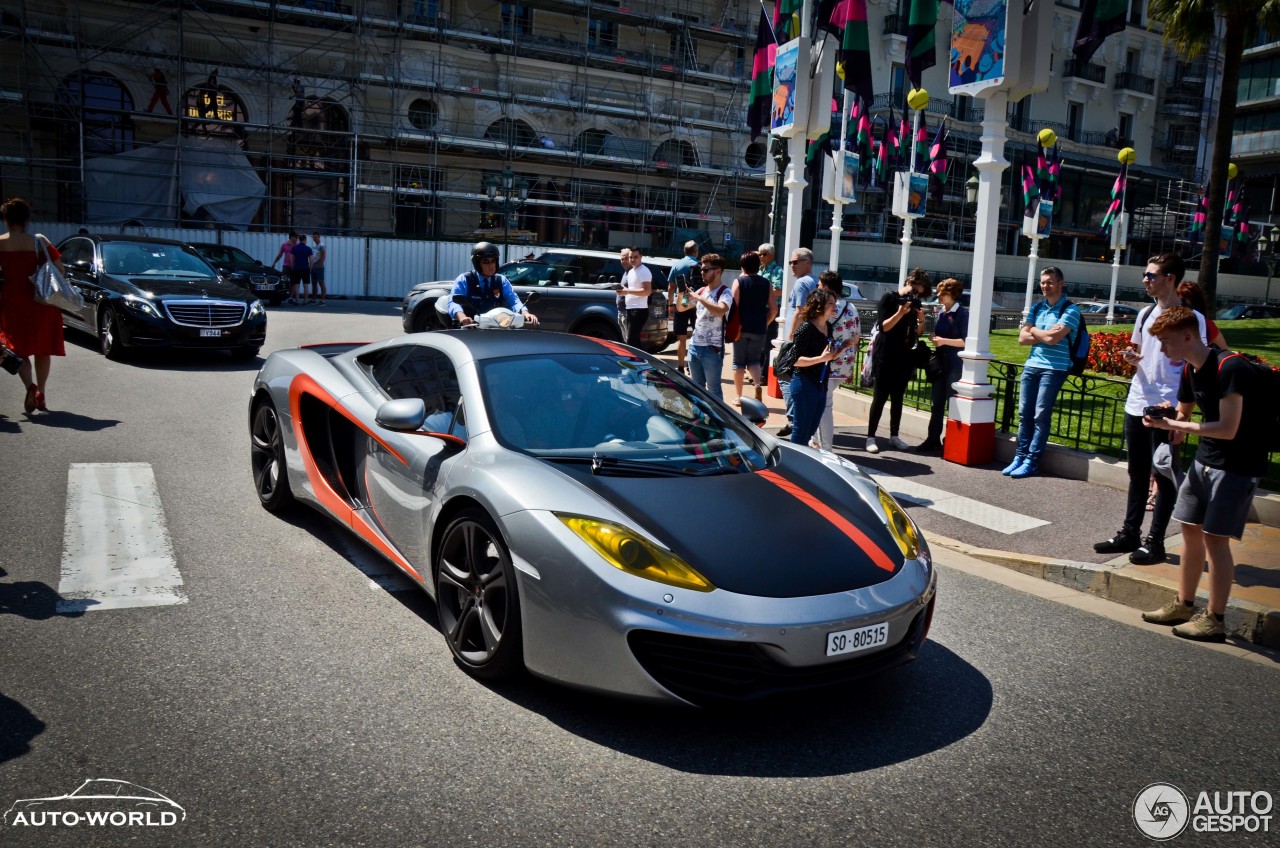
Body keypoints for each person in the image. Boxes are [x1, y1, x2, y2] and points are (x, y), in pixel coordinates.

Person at [1139, 306, 1268, 642]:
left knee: (1215, 539)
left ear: (1188, 336)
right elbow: (1183, 417)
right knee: (1190, 530)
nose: (1163, 350)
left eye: (1166, 342)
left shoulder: (1231, 368)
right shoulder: (1189, 370)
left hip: (1238, 465)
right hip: (1206, 460)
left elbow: (1227, 428)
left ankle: (1215, 619)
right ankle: (1184, 604)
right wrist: (1165, 419)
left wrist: (1179, 424)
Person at [1094, 254, 1209, 564]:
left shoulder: (1192, 318)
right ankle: (1129, 533)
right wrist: (1131, 357)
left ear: (1170, 278)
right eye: (1145, 275)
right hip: (1138, 400)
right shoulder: (1145, 313)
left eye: (1151, 275)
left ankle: (1155, 541)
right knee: (1137, 472)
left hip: (1168, 406)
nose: (1145, 280)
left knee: (1165, 473)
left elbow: (1199, 363)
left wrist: (1182, 414)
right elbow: (1137, 349)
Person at [1003, 266, 1082, 478]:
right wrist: (1043, 332)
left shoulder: (1071, 310)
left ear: (1060, 284)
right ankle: (1019, 456)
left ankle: (1032, 461)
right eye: (1043, 282)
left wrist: (1034, 331)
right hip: (1032, 365)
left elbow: (1052, 339)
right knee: (1024, 414)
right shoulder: (1037, 308)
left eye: (1049, 282)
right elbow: (1021, 339)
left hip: (1054, 368)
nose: (1045, 286)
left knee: (1040, 415)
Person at [0, 197, 67, 414]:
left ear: (6, 220)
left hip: (12, 301)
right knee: (42, 349)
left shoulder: (0, 242)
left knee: (18, 349)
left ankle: (30, 386)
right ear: (27, 219)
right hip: (41, 301)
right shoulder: (39, 240)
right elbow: (61, 270)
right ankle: (42, 393)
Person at [865, 269, 929, 454]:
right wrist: (901, 312)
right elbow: (884, 327)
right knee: (880, 398)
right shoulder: (889, 299)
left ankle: (894, 436)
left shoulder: (913, 305)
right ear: (909, 282)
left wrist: (921, 320)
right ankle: (870, 437)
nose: (915, 295)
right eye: (915, 290)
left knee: (898, 398)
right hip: (885, 356)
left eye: (919, 293)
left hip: (904, 357)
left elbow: (916, 334)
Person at [919, 277, 968, 452]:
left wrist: (943, 341)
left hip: (954, 365)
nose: (938, 295)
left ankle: (952, 440)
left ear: (952, 294)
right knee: (936, 403)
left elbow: (966, 341)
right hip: (940, 364)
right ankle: (933, 439)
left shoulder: (962, 314)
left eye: (942, 293)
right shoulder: (942, 312)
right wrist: (936, 339)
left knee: (952, 403)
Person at [813, 270, 860, 450]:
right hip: (844, 364)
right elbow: (856, 337)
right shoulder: (851, 307)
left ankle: (825, 447)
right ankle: (818, 441)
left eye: (819, 285)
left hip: (828, 362)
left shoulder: (827, 306)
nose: (817, 287)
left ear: (826, 286)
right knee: (823, 403)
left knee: (823, 405)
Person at [787, 288, 839, 447]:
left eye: (835, 302)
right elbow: (795, 360)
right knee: (801, 430)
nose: (835, 305)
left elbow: (827, 357)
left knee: (810, 430)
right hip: (804, 382)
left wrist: (839, 351)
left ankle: (800, 463)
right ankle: (793, 463)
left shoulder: (828, 327)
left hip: (821, 384)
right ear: (819, 307)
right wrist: (821, 358)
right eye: (830, 303)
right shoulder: (806, 328)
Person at [446, 241, 538, 326]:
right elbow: (454, 302)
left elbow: (513, 300)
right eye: (486, 262)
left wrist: (525, 313)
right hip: (471, 328)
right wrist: (462, 317)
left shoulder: (501, 280)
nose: (491, 265)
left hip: (496, 328)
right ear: (477, 264)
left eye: (493, 261)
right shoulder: (464, 279)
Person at [777, 247, 816, 438]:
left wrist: (790, 337)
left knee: (784, 376)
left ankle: (794, 419)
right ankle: (799, 419)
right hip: (811, 338)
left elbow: (800, 312)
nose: (792, 265)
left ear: (807, 263)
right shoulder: (815, 282)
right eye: (791, 262)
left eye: (795, 262)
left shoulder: (801, 283)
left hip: (798, 339)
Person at [683, 253, 734, 400]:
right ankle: (700, 419)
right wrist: (683, 293)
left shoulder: (725, 291)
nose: (702, 273)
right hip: (694, 346)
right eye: (701, 270)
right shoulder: (701, 290)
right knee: (696, 390)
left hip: (712, 348)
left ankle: (718, 422)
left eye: (706, 270)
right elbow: (682, 307)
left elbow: (721, 311)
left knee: (713, 391)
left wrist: (699, 298)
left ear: (718, 271)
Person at [731, 250, 775, 404]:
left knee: (738, 363)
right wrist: (766, 322)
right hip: (759, 328)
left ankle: (739, 396)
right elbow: (774, 309)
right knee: (754, 361)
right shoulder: (766, 283)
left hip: (741, 328)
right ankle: (757, 385)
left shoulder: (739, 281)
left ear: (742, 265)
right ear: (758, 265)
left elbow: (733, 305)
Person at [666, 240, 700, 373]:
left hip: (681, 302)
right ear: (696, 252)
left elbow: (671, 287)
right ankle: (693, 366)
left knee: (681, 337)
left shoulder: (677, 264)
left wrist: (670, 304)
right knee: (697, 335)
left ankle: (680, 366)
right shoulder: (699, 265)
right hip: (696, 301)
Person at [1176, 280, 1228, 350]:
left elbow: (1225, 351)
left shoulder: (1207, 325)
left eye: (1183, 300)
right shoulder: (1169, 322)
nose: (1180, 304)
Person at [616, 245, 651, 348]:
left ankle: (638, 362)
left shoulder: (644, 271)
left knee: (632, 341)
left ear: (641, 257)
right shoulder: (631, 271)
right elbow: (631, 290)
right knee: (631, 340)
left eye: (635, 257)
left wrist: (628, 291)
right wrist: (622, 291)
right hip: (629, 309)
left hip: (639, 310)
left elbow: (647, 291)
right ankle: (636, 361)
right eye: (631, 257)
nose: (633, 259)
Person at [757, 242, 783, 379]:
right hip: (761, 309)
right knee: (760, 342)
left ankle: (764, 374)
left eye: (764, 254)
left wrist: (761, 293)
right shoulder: (761, 269)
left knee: (768, 342)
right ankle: (758, 370)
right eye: (759, 253)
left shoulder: (777, 270)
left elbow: (779, 290)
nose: (761, 256)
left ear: (772, 255)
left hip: (772, 310)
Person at [289, 233, 314, 304]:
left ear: (299, 240)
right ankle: (305, 301)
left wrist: (292, 266)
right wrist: (310, 268)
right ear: (305, 240)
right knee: (306, 285)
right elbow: (311, 260)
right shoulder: (308, 249)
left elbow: (291, 259)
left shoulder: (294, 248)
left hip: (297, 268)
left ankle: (297, 300)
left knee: (296, 285)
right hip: (306, 268)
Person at [310, 232, 327, 305]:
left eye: (316, 237)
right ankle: (314, 299)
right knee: (314, 283)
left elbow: (323, 256)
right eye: (313, 237)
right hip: (313, 266)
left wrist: (320, 265)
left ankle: (322, 300)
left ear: (319, 237)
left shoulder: (321, 246)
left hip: (319, 267)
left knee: (321, 283)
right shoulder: (315, 246)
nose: (314, 239)